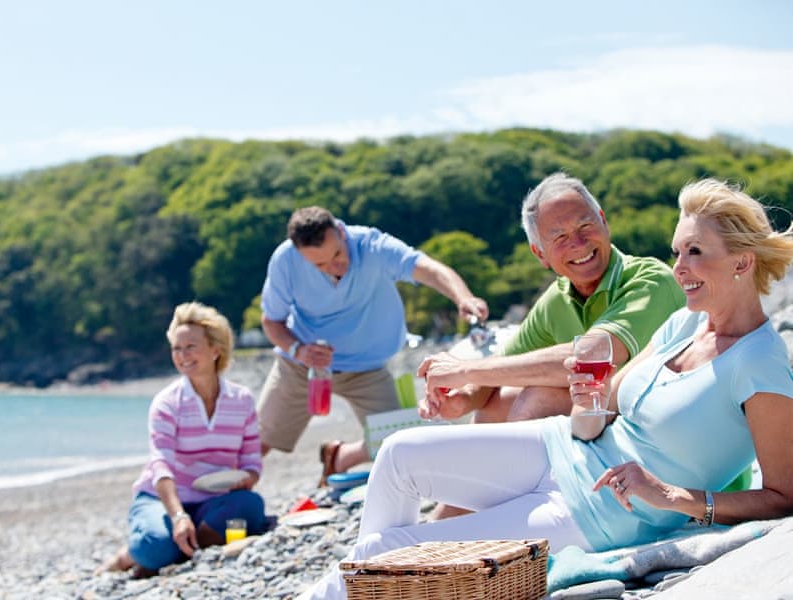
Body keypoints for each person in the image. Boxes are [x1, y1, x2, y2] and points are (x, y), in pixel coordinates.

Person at [299, 179, 793, 600]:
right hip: (562, 447)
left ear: (742, 263)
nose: (678, 267)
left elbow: (782, 496)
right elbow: (606, 401)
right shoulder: (686, 323)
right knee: (399, 454)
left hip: (598, 514)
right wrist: (587, 404)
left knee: (385, 553)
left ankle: (366, 585)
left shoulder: (761, 364)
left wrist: (675, 497)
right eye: (677, 252)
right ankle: (381, 588)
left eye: (694, 253)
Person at [420, 171, 685, 519]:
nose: (578, 243)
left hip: (667, 446)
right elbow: (493, 380)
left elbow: (589, 358)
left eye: (585, 226)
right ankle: (442, 529)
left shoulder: (650, 280)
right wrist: (460, 398)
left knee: (537, 399)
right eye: (559, 236)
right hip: (605, 433)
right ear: (540, 253)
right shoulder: (556, 300)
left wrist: (465, 368)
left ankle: (517, 520)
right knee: (497, 403)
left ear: (604, 222)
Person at [258, 206, 488, 484]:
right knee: (259, 442)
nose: (334, 267)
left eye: (337, 255)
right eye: (320, 265)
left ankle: (341, 456)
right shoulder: (285, 260)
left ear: (342, 233)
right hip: (302, 365)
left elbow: (428, 269)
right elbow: (272, 321)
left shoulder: (372, 245)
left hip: (365, 367)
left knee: (400, 442)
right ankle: (222, 499)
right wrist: (299, 350)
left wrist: (462, 297)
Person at [100, 302, 266, 577]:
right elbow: (160, 466)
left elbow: (251, 462)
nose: (182, 355)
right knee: (154, 547)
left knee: (251, 505)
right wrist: (178, 516)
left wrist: (247, 477)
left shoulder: (242, 400)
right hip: (163, 499)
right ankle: (131, 555)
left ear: (216, 350)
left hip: (214, 499)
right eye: (177, 348)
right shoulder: (167, 403)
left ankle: (182, 545)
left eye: (191, 347)